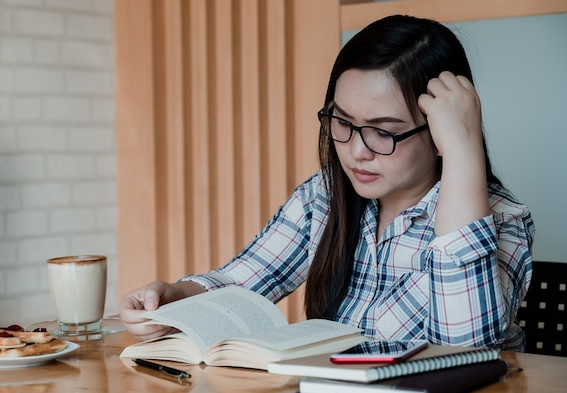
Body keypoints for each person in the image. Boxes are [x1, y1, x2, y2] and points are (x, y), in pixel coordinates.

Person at [119, 15, 535, 351]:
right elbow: (243, 279)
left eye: (384, 131)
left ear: (442, 132)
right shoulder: (326, 195)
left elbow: (466, 352)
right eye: (342, 121)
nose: (357, 151)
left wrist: (464, 152)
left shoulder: (503, 220)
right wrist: (174, 297)